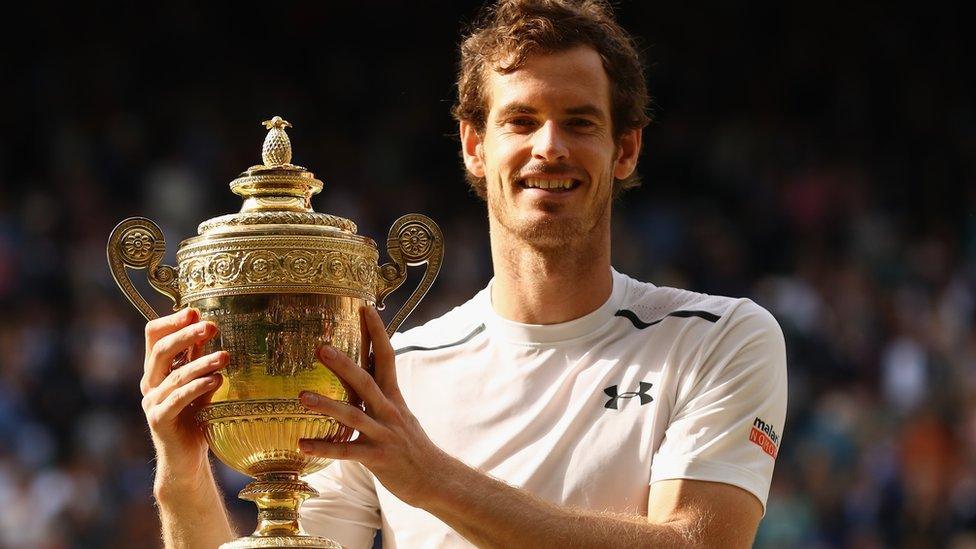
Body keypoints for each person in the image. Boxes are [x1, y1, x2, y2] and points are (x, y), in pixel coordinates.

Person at [139, 1, 788, 547]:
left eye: (580, 122)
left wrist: (432, 479)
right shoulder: (391, 375)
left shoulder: (719, 337)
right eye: (522, 120)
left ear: (626, 148)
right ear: (474, 145)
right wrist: (182, 471)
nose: (550, 146)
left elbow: (697, 544)